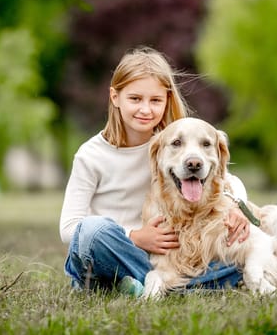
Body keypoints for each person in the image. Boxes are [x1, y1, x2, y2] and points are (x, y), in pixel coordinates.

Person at [59, 46, 250, 296]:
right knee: (93, 231)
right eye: (135, 99)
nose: (146, 109)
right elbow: (69, 228)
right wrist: (134, 237)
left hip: (159, 260)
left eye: (156, 100)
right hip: (111, 253)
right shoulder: (91, 155)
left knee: (235, 257)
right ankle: (180, 286)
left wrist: (238, 206)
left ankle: (147, 286)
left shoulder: (172, 145)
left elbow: (227, 178)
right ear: (115, 97)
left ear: (167, 100)